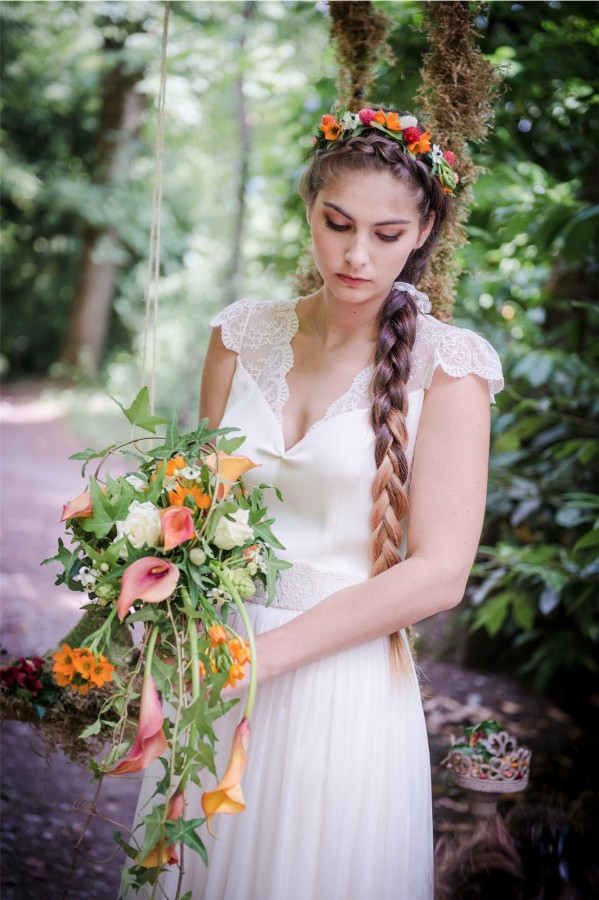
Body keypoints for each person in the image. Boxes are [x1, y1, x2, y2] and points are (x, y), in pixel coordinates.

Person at [129, 105, 503, 899]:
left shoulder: (451, 370)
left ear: (425, 227)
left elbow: (438, 575)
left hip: (339, 686)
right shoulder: (239, 336)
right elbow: (187, 510)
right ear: (310, 209)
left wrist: (256, 664)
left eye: (387, 234)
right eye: (337, 224)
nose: (357, 254)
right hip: (211, 665)